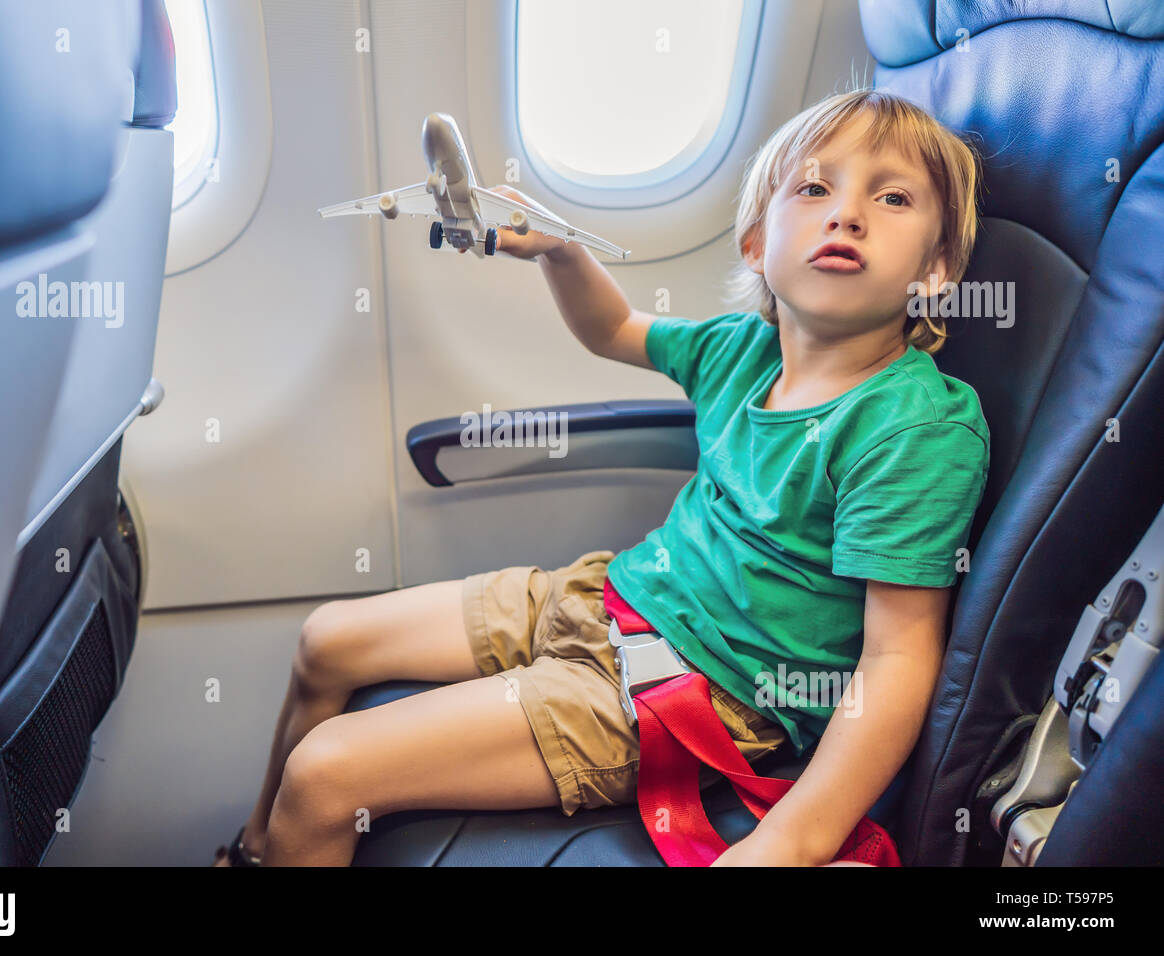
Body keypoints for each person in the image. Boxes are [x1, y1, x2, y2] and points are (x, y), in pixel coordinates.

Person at [214, 88, 990, 867]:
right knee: (327, 640)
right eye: (815, 188)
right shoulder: (738, 350)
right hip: (608, 595)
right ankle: (255, 850)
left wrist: (793, 839)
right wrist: (559, 249)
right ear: (757, 244)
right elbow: (613, 329)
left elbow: (898, 660)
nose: (847, 214)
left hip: (708, 691)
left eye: (891, 199)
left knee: (324, 774)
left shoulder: (914, 428)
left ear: (937, 269)